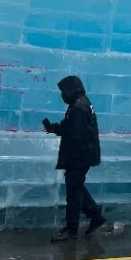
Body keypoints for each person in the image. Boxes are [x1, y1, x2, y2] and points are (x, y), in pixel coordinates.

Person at [43, 76, 106, 242]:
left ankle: (72, 229)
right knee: (76, 188)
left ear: (71, 90)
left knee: (73, 193)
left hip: (79, 156)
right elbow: (69, 126)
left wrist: (58, 130)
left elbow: (75, 133)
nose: (62, 95)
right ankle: (95, 215)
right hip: (83, 155)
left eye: (63, 91)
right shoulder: (81, 103)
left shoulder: (78, 107)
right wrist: (54, 128)